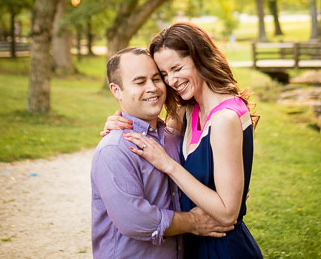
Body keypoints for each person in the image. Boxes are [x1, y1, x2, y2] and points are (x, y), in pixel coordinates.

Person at [108, 23, 262, 258]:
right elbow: (157, 133)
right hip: (194, 246)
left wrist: (169, 166)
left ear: (199, 57)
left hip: (221, 248)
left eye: (177, 68)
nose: (171, 81)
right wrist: (119, 123)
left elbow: (228, 212)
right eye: (164, 74)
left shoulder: (224, 118)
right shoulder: (189, 111)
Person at [92, 47, 234, 259]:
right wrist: (193, 222)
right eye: (140, 82)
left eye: (157, 78)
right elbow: (134, 220)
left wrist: (229, 189)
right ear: (116, 90)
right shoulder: (114, 149)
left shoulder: (174, 138)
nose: (152, 88)